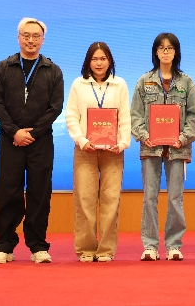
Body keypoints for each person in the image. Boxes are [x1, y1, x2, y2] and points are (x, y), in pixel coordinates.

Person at [0, 17, 64, 264]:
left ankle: (38, 246)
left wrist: (33, 133)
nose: (31, 40)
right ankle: (4, 246)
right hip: (10, 140)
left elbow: (55, 107)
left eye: (36, 36)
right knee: (7, 193)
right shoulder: (3, 68)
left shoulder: (53, 70)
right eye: (26, 35)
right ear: (18, 37)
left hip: (40, 141)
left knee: (39, 193)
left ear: (43, 40)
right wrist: (14, 132)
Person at [131, 33, 195, 262]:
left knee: (175, 198)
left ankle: (174, 245)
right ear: (155, 52)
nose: (165, 52)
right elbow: (135, 115)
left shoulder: (186, 82)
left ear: (176, 52)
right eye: (161, 48)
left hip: (178, 149)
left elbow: (194, 117)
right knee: (149, 198)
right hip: (150, 148)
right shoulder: (144, 81)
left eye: (170, 48)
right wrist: (143, 136)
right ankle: (150, 246)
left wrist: (183, 138)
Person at [65, 42, 131, 262]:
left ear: (109, 61)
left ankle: (105, 250)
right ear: (88, 62)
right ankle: (86, 249)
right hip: (85, 150)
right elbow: (71, 116)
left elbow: (125, 117)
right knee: (84, 199)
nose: (99, 63)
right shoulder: (78, 84)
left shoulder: (119, 84)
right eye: (95, 59)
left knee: (111, 200)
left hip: (113, 151)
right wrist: (81, 140)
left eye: (103, 58)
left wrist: (122, 143)